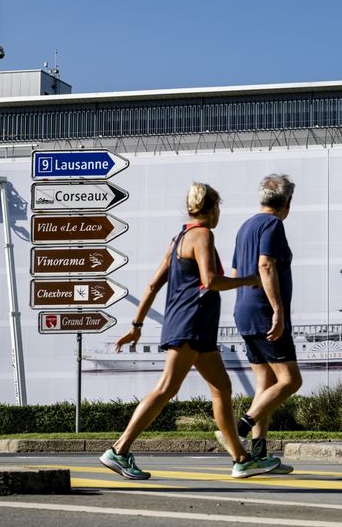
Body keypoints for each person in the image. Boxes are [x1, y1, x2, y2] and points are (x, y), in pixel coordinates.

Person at [99, 182, 280, 480]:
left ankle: (241, 458)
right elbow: (210, 281)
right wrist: (248, 281)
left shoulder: (179, 237)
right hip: (191, 324)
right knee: (166, 388)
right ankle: (119, 449)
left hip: (194, 327)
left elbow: (154, 284)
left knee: (222, 388)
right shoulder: (203, 235)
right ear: (214, 209)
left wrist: (137, 325)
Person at [219, 174, 302, 472]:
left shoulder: (245, 227)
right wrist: (278, 310)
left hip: (244, 311)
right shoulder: (273, 225)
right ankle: (238, 430)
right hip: (265, 313)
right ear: (287, 203)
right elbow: (265, 264)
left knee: (265, 385)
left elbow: (236, 270)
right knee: (291, 380)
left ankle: (257, 456)